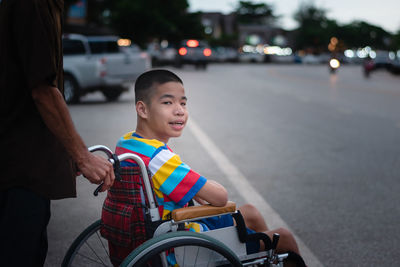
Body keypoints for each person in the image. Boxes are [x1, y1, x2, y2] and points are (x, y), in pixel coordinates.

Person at [103, 69, 302, 266]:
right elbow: (220, 197)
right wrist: (205, 186)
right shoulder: (160, 158)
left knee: (249, 212)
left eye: (183, 102)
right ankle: (262, 253)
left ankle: (261, 256)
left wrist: (194, 187)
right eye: (167, 102)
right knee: (283, 237)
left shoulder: (127, 143)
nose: (179, 110)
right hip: (181, 246)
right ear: (143, 109)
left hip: (158, 233)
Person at [0, 0, 115, 266]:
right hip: (19, 168)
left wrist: (69, 151)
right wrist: (82, 155)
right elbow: (43, 89)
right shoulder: (35, 5)